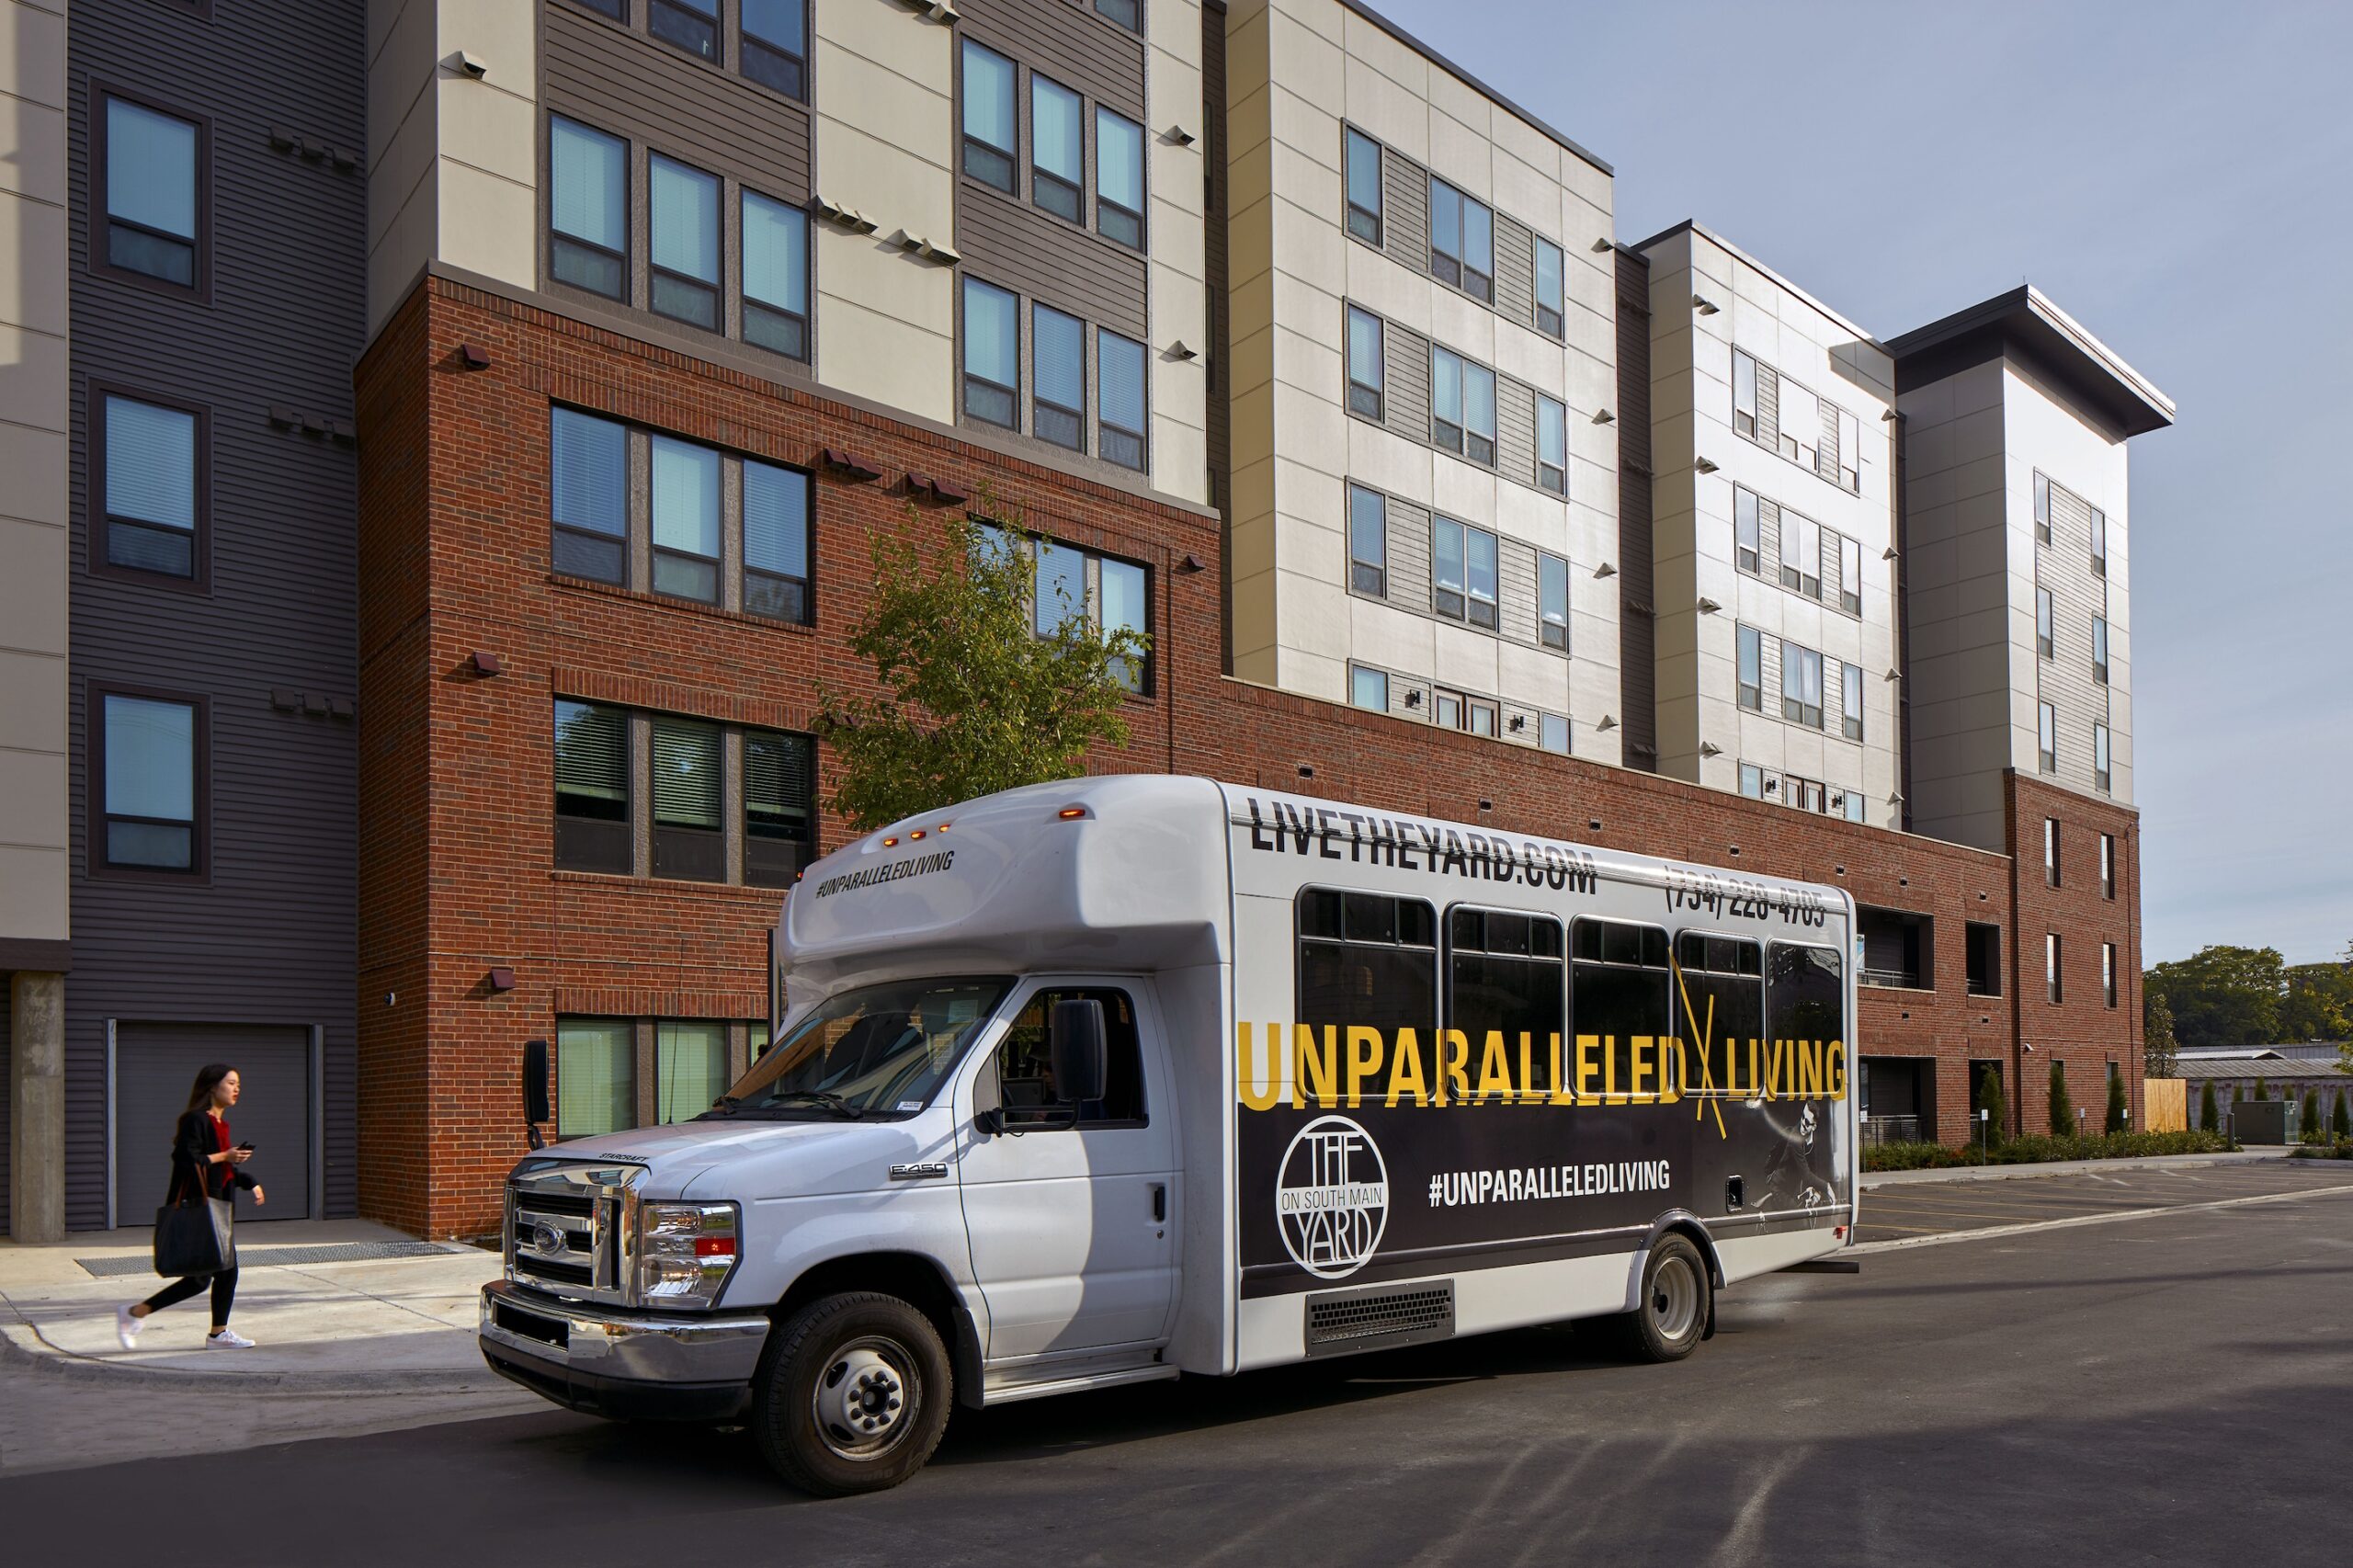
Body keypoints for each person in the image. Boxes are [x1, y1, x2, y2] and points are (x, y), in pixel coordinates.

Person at [116, 1063, 267, 1349]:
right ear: (212, 1086)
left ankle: (137, 1313)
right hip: (202, 1210)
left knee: (205, 1277)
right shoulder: (195, 1120)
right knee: (217, 1273)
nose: (237, 1089)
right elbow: (187, 1161)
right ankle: (215, 1334)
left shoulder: (221, 1124)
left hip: (219, 1209)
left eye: (239, 1084)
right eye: (231, 1083)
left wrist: (248, 1180)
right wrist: (226, 1155)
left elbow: (220, 1171)